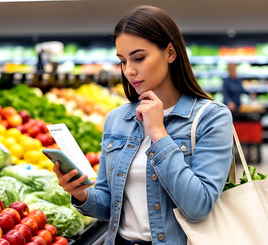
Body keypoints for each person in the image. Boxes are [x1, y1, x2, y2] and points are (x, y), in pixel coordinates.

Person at [53, 5, 234, 245]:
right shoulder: (117, 119)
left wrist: (159, 134)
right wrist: (81, 194)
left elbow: (198, 206)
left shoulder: (211, 117)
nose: (129, 70)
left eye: (139, 58)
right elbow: (109, 206)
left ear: (170, 53)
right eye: (122, 60)